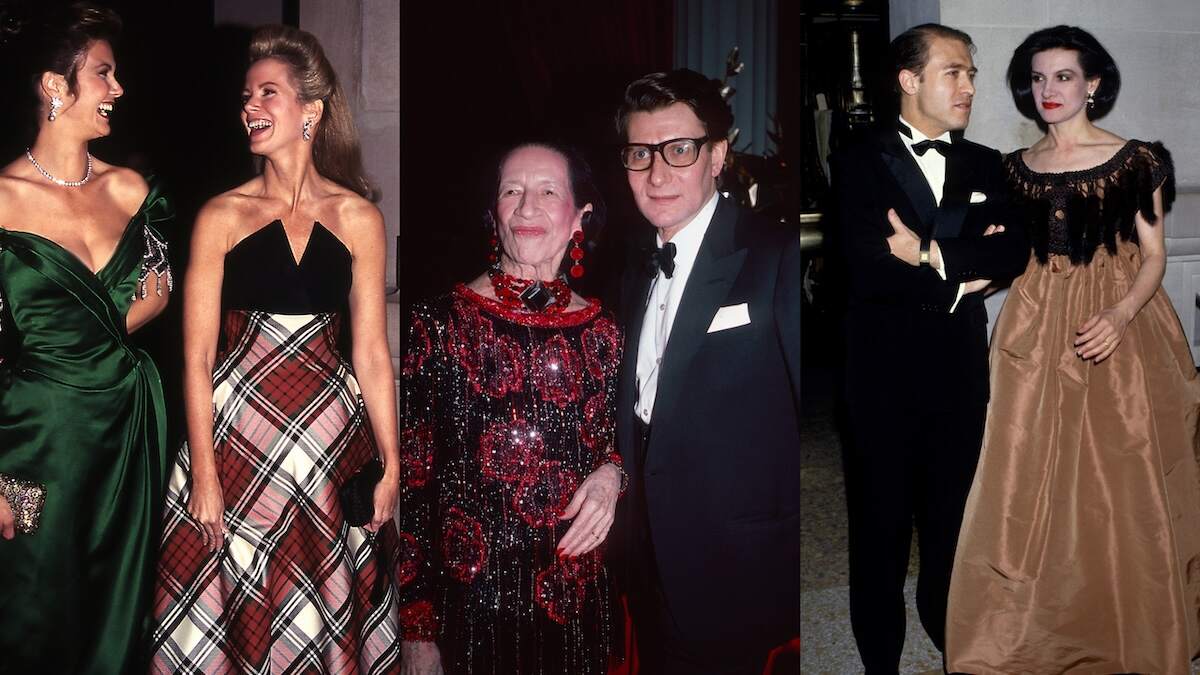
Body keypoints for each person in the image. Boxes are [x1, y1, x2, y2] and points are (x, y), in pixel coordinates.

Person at [945, 25, 1200, 674]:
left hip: (1120, 322)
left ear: (1094, 84)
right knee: (1027, 479)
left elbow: (1152, 257)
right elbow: (1008, 258)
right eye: (1037, 78)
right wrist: (939, 289)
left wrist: (1118, 313)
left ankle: (1133, 626)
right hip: (1033, 325)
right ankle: (1032, 626)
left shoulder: (1135, 158)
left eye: (1063, 76)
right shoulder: (1015, 167)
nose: (1049, 89)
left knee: (1122, 480)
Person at [149, 25, 403, 673]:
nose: (250, 107)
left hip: (327, 451)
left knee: (322, 619)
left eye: (269, 93)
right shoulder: (221, 216)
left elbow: (372, 352)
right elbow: (198, 358)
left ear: (310, 112)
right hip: (237, 443)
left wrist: (393, 463)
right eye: (245, 95)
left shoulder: (358, 217)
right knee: (232, 619)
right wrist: (203, 474)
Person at [831, 23, 1030, 672]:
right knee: (880, 529)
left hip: (958, 375)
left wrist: (925, 251)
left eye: (971, 72)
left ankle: (951, 633)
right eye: (955, 72)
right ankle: (880, 656)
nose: (970, 85)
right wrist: (965, 271)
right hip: (879, 379)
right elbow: (862, 266)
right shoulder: (858, 159)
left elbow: (1014, 252)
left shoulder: (988, 164)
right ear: (909, 81)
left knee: (952, 523)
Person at [395, 140, 623, 675]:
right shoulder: (439, 325)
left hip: (575, 607)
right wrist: (417, 628)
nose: (526, 207)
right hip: (470, 615)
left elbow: (626, 443)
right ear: (492, 213)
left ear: (579, 218)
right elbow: (412, 482)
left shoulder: (607, 330)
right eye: (512, 191)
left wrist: (616, 472)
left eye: (548, 191)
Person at [0, 4, 173, 673]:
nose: (117, 89)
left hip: (128, 427)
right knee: (33, 615)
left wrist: (85, 342)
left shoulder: (131, 188)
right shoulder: (4, 199)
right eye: (104, 74)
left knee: (117, 620)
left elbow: (156, 288)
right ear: (55, 85)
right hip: (37, 437)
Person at [612, 68, 800, 674]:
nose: (658, 173)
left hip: (735, 562)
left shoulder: (774, 255)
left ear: (717, 156)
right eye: (641, 153)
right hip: (649, 555)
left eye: (681, 150)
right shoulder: (634, 266)